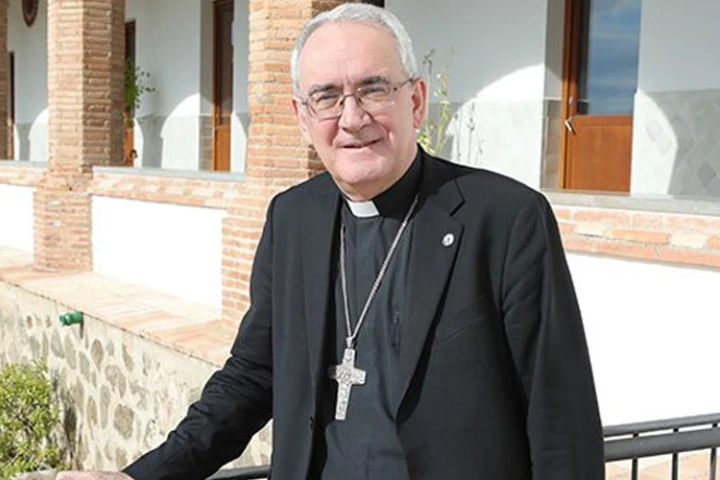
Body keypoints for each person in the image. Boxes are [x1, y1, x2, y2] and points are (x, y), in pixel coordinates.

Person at [58, 3, 604, 479]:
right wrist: (144, 475)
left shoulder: (505, 219)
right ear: (302, 117)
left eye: (373, 89)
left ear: (416, 101)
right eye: (326, 97)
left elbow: (560, 420)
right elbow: (252, 377)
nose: (352, 118)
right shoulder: (293, 218)